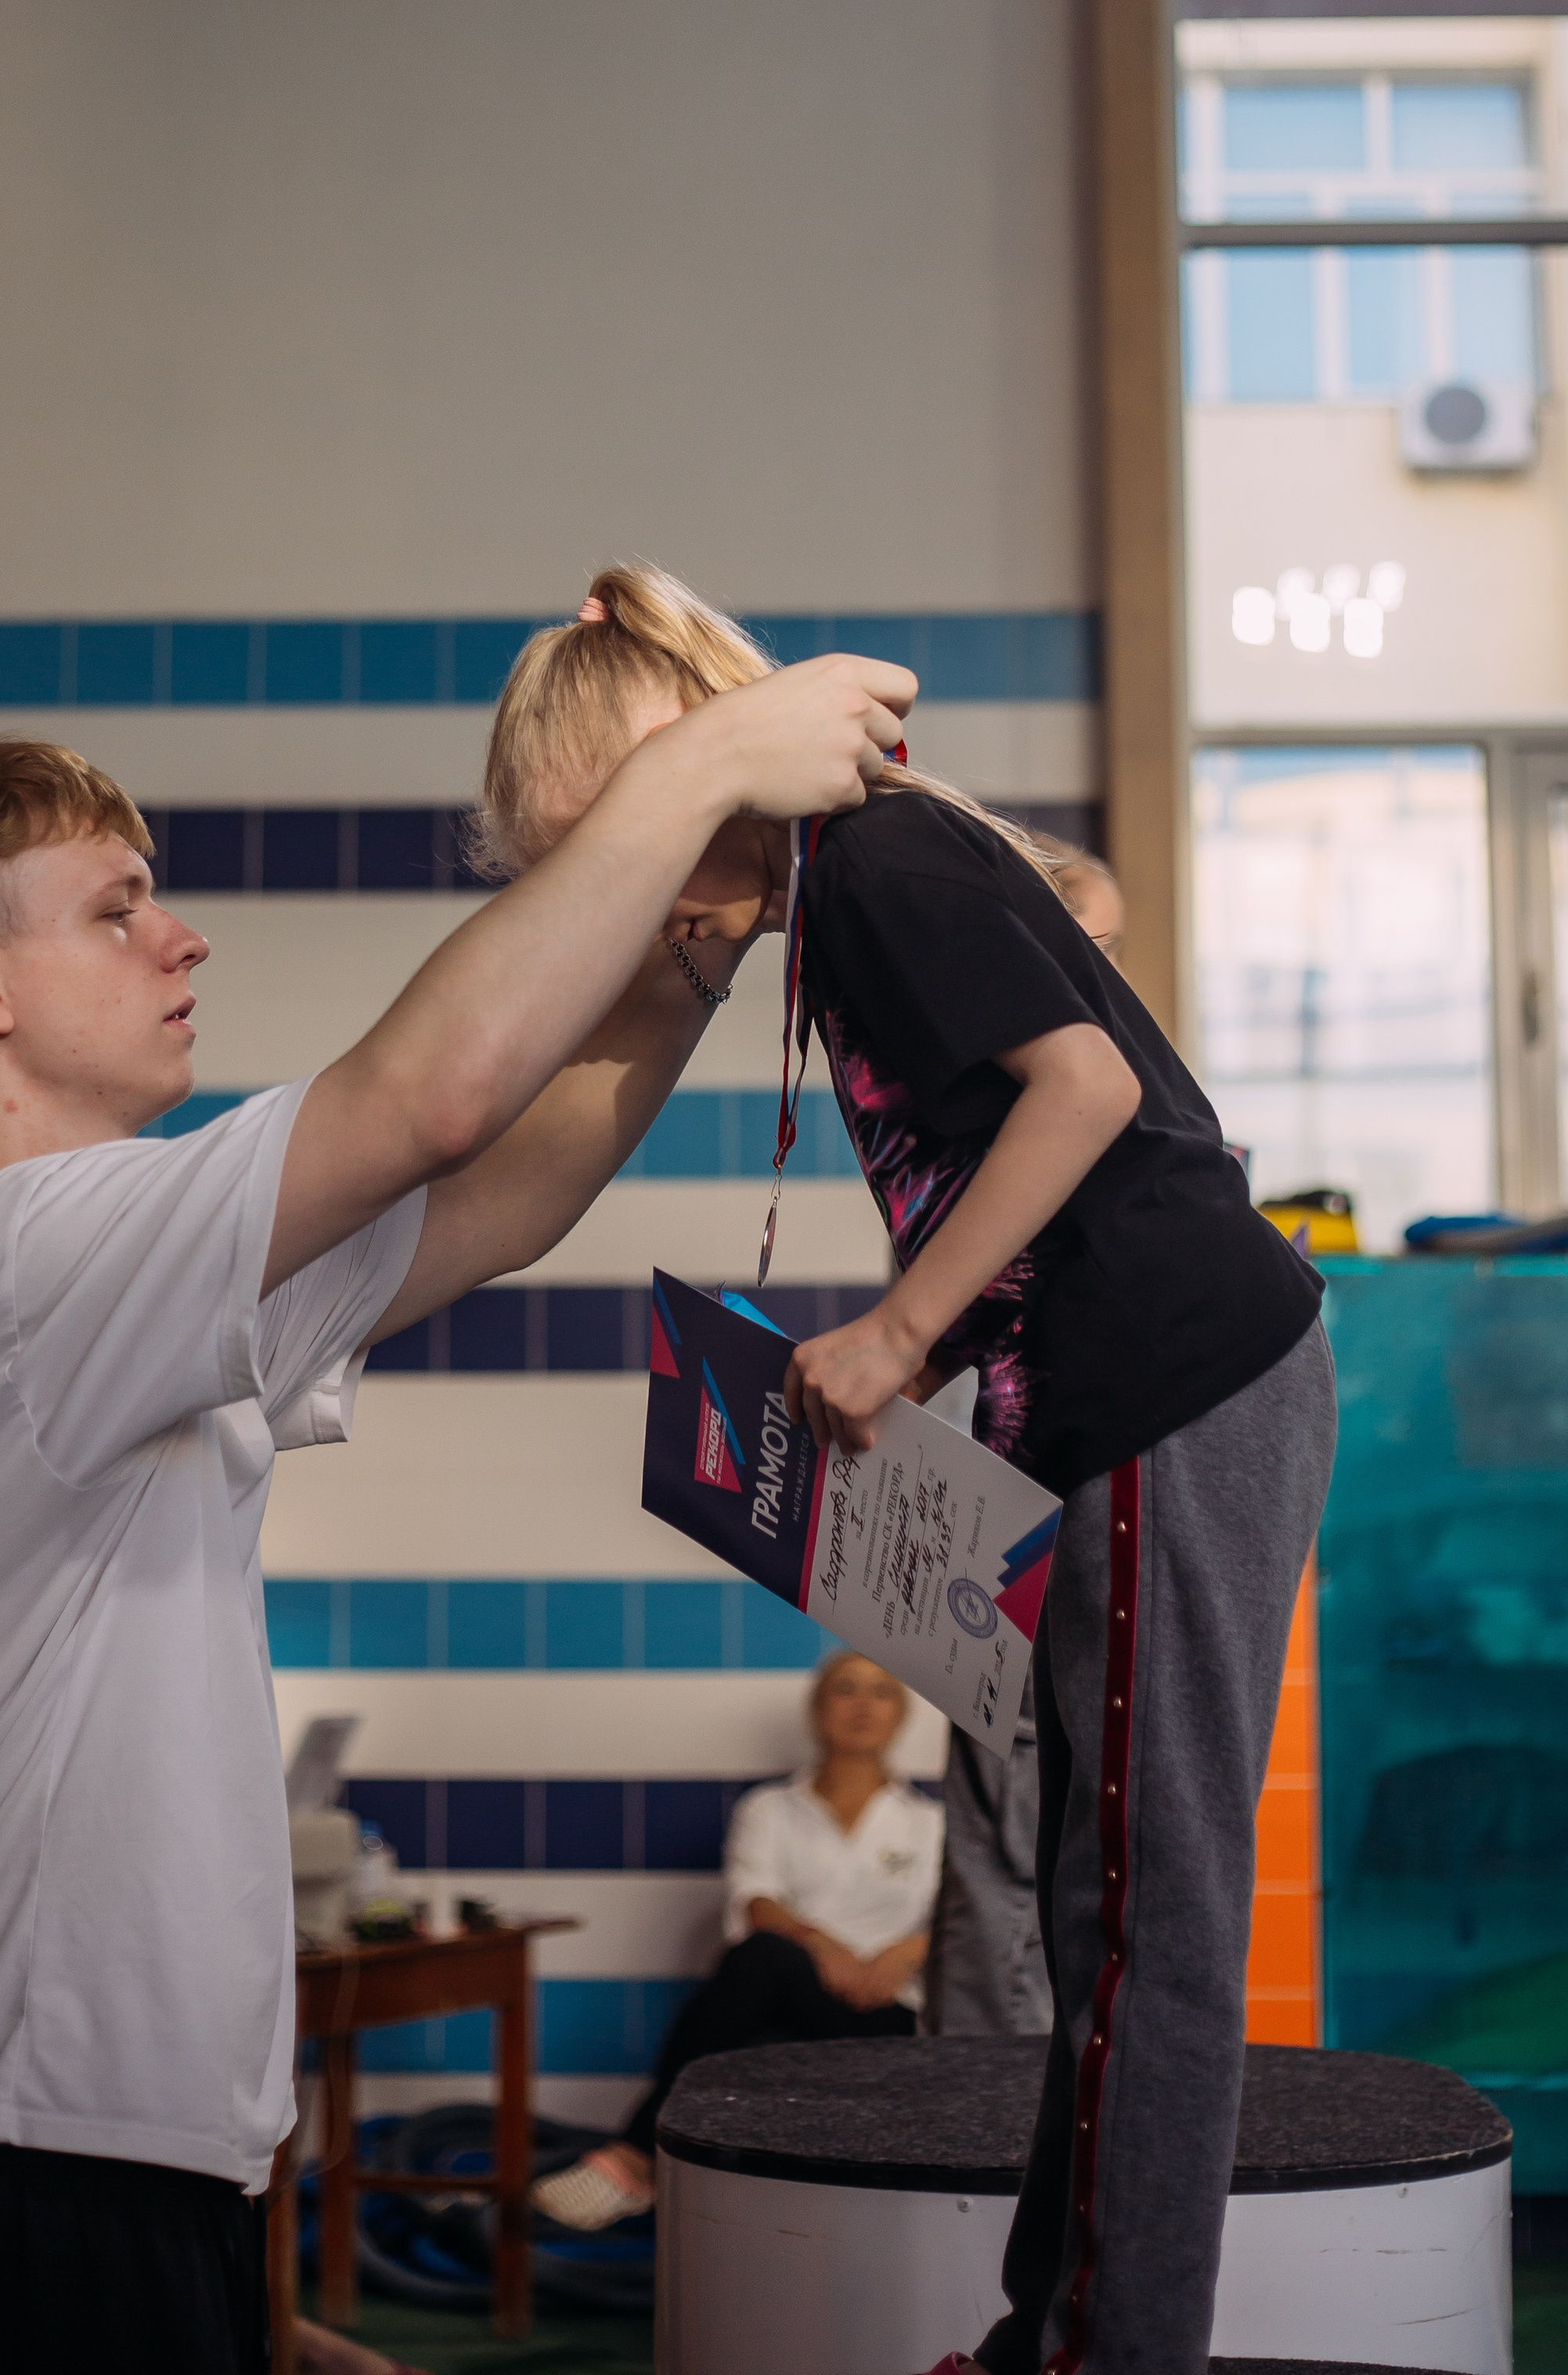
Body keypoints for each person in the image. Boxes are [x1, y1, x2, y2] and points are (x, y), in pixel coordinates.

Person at [0, 654, 911, 2375]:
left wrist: (702, 940)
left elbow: (492, 1194)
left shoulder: (115, 1286)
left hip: (125, 2162)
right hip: (11, 2162)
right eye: (115, 912)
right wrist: (692, 769)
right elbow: (429, 1097)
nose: (183, 942)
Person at [474, 565, 1335, 2375]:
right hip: (1159, 1377)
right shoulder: (861, 873)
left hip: (1163, 1381)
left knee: (1144, 1920)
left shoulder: (866, 864)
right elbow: (1047, 1171)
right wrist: (919, 1348)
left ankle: (1104, 2349)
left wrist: (892, 1326)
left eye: (622, 848)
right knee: (1116, 1907)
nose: (638, 904)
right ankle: (1059, 2327)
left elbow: (1083, 1093)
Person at [535, 1648, 943, 2230]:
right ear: (816, 1710)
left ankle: (631, 2156)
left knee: (765, 1968)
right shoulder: (770, 1809)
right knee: (762, 1956)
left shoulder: (931, 1825)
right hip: (794, 1985)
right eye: (846, 1689)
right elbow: (757, 1901)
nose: (863, 1706)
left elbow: (960, 1919)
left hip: (889, 2008)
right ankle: (639, 2160)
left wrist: (904, 1952)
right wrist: (824, 1949)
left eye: (881, 1692)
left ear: (901, 1715)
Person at [925, 844, 1119, 2047]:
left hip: (1050, 1528)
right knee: (1004, 1867)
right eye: (1090, 947)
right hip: (1000, 1543)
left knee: (1050, 1870)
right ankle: (986, 2144)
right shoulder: (1020, 1109)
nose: (1109, 978)